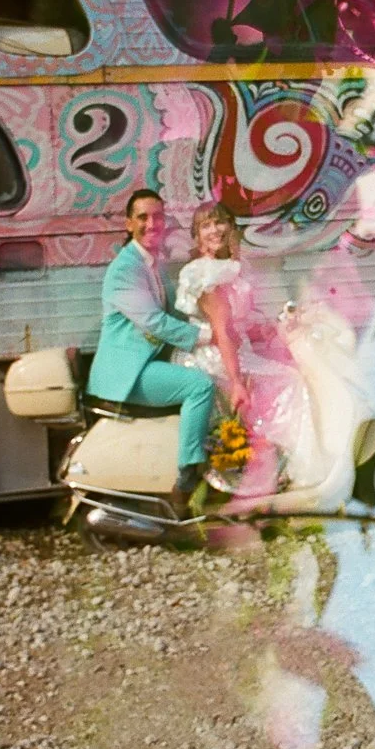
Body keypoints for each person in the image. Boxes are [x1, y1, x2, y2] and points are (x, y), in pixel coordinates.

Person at [172, 201, 324, 496]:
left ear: (231, 227)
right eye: (206, 225)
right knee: (289, 381)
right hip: (213, 357)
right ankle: (281, 466)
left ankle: (272, 461)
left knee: (290, 369)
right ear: (197, 236)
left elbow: (246, 323)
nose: (215, 230)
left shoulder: (232, 269)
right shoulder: (204, 273)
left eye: (220, 222)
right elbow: (223, 330)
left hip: (234, 351)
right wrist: (237, 381)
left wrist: (287, 325)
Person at [85, 189, 216, 512]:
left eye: (158, 217)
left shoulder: (153, 263)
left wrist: (220, 324)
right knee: (201, 385)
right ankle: (188, 474)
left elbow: (174, 314)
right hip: (128, 372)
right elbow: (154, 322)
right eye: (143, 217)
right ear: (129, 223)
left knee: (213, 372)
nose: (151, 223)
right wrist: (205, 336)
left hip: (146, 362)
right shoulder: (125, 268)